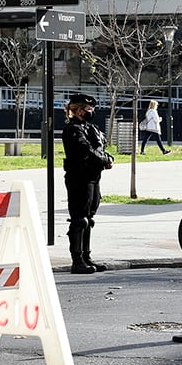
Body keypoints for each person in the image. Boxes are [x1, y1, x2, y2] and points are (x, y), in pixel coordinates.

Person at [61, 93, 114, 274]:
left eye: (91, 108)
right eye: (85, 108)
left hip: (93, 176)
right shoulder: (73, 129)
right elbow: (85, 149)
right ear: (76, 110)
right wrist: (103, 159)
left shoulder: (91, 127)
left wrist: (107, 158)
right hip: (79, 177)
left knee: (89, 219)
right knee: (80, 219)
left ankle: (86, 256)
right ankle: (77, 261)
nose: (89, 110)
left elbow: (100, 147)